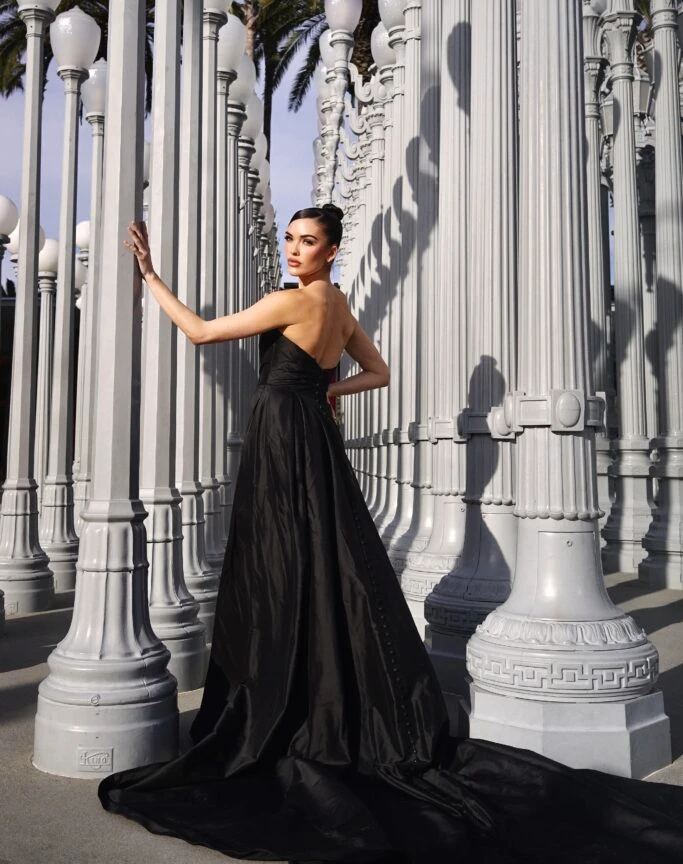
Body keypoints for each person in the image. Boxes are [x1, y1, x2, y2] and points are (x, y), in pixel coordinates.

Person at [100, 204, 683, 863]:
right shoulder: (338, 307)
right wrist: (328, 393)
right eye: (291, 239)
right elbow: (378, 373)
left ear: (330, 250)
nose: (294, 249)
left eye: (307, 242)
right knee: (325, 558)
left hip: (277, 434)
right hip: (312, 437)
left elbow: (203, 333)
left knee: (279, 563)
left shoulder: (289, 304)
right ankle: (322, 695)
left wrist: (151, 278)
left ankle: (280, 700)